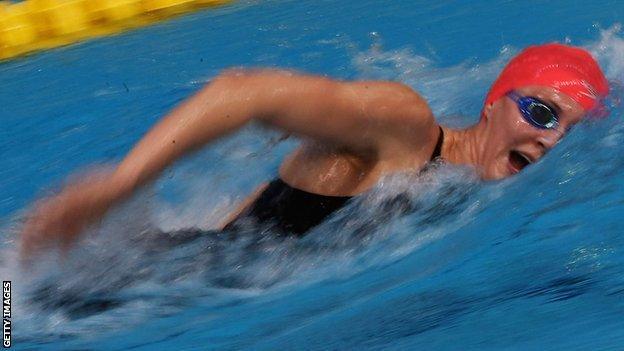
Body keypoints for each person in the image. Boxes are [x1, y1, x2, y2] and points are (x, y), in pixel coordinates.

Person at [19, 43, 609, 257]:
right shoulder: (406, 128)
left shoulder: (465, 189)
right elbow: (241, 91)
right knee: (11, 316)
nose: (551, 138)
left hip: (179, 282)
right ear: (493, 103)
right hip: (130, 288)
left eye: (567, 130)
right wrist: (121, 188)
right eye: (541, 111)